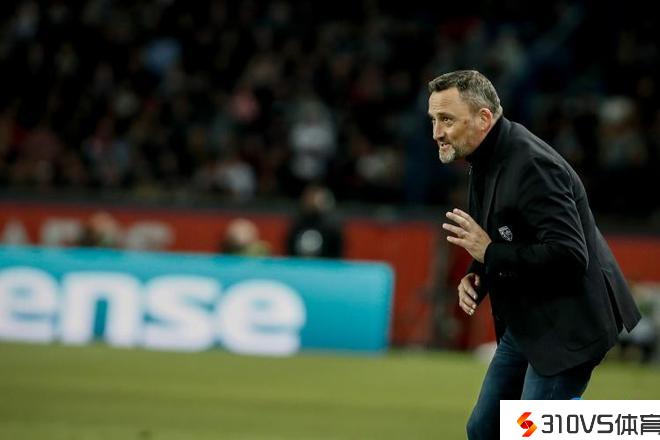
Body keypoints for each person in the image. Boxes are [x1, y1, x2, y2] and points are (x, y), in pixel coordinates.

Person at [427, 70, 641, 439]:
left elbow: (569, 255)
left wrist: (490, 253)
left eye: (446, 119)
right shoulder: (484, 157)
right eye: (434, 119)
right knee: (484, 429)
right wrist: (479, 273)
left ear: (483, 118)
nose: (437, 132)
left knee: (531, 432)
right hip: (528, 323)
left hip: (570, 325)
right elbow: (502, 234)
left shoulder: (533, 165)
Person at [285, 184, 343, 259]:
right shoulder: (296, 226)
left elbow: (336, 256)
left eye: (315, 197)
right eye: (309, 197)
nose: (312, 201)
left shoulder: (331, 229)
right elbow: (289, 252)